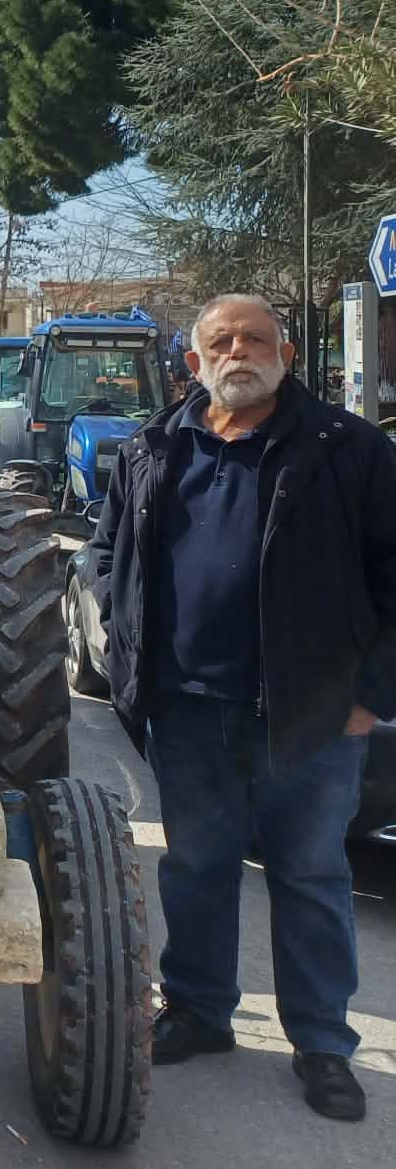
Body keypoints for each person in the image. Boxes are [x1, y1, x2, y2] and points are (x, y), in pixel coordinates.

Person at [87, 293, 396, 1123]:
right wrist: (120, 630)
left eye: (255, 338)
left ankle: (323, 1044)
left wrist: (372, 699)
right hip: (186, 707)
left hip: (312, 714)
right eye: (220, 341)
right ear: (195, 362)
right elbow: (104, 549)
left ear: (285, 353)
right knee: (196, 865)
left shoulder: (349, 451)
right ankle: (197, 1009)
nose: (238, 351)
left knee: (311, 874)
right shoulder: (152, 448)